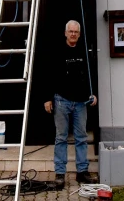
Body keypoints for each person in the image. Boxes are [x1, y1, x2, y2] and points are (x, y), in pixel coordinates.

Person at [43, 20, 97, 189]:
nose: (73, 34)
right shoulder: (57, 51)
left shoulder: (85, 52)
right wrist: (47, 98)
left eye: (76, 32)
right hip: (61, 100)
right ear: (65, 33)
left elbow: (91, 73)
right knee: (61, 138)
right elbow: (49, 74)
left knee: (81, 138)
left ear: (79, 34)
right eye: (70, 31)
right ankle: (60, 175)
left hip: (81, 102)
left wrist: (93, 93)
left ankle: (82, 173)